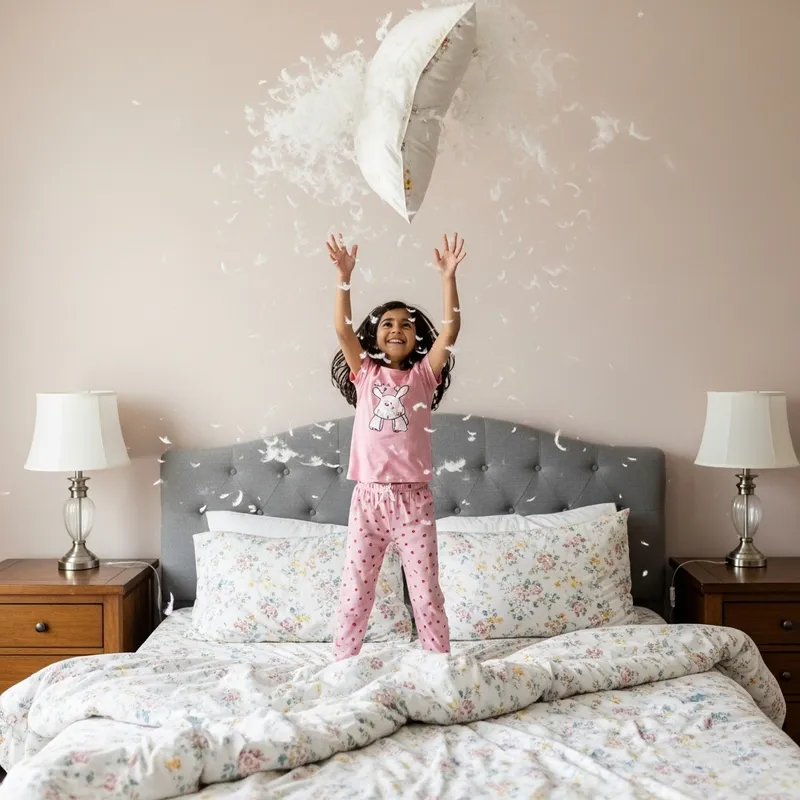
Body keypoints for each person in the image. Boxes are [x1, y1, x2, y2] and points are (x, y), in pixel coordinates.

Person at [327, 232, 466, 660]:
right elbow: (341, 330)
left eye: (406, 323)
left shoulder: (424, 375)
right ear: (376, 334)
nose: (397, 329)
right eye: (388, 323)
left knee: (426, 596)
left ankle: (438, 664)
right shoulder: (365, 373)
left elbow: (451, 329)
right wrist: (344, 279)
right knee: (356, 594)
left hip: (413, 501)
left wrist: (448, 278)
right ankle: (341, 664)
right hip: (367, 500)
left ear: (416, 336)